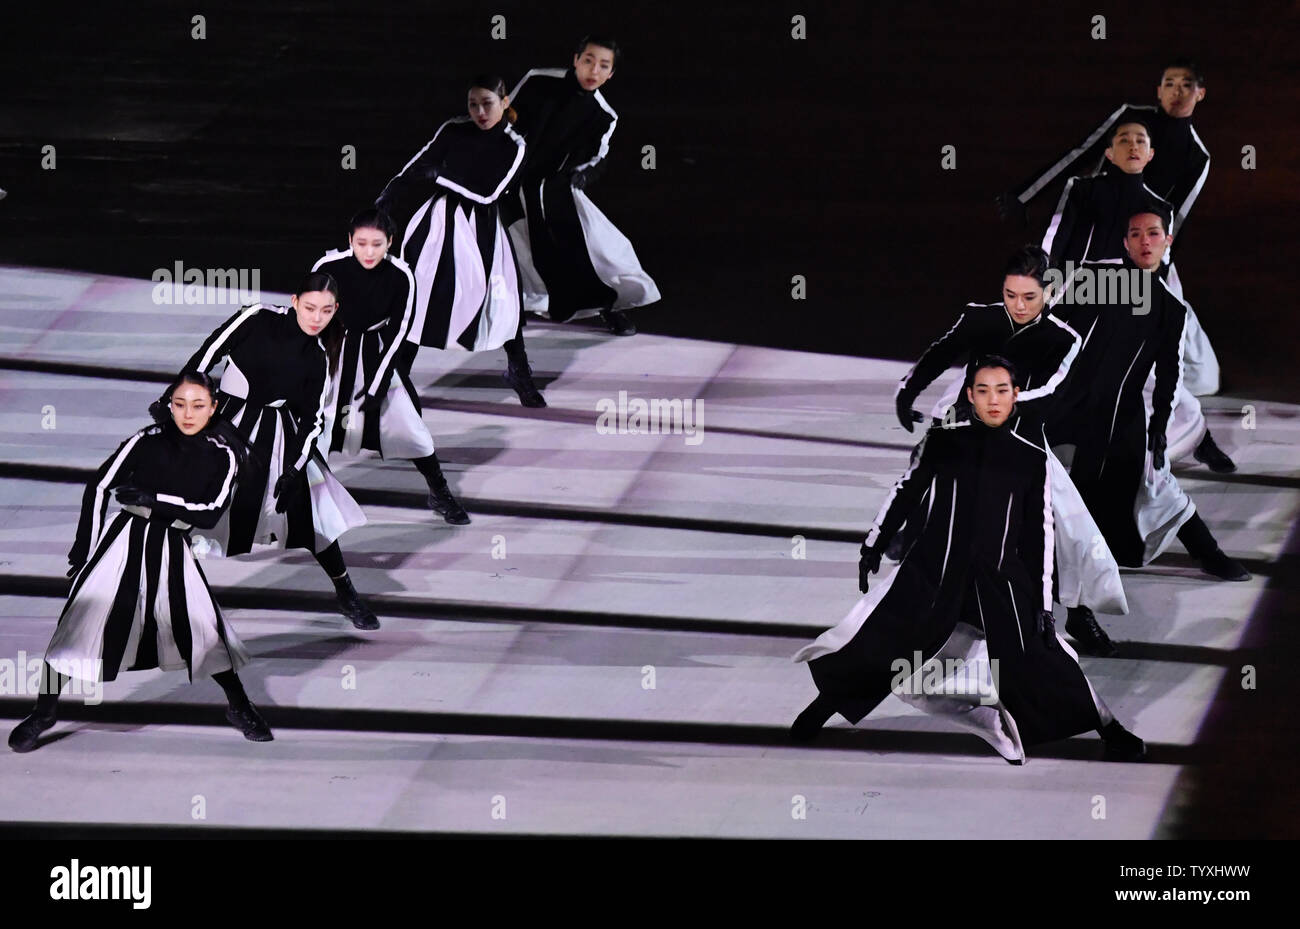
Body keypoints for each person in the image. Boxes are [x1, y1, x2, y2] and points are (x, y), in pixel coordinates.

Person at [793, 358, 1145, 763]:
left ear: (1016, 395)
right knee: (882, 645)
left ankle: (1108, 727)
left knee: (1044, 658)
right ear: (970, 396)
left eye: (1002, 390)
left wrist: (1044, 604)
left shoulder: (1031, 459)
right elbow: (906, 490)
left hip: (1000, 578)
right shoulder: (944, 441)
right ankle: (823, 707)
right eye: (983, 390)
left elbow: (1040, 536)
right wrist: (874, 544)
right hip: (934, 571)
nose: (993, 400)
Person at [8, 372, 272, 752]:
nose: (188, 413)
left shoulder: (223, 455)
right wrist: (84, 549)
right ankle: (43, 712)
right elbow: (100, 486)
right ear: (170, 405)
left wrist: (155, 499)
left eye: (198, 405)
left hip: (172, 547)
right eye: (180, 404)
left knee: (201, 629)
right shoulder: (145, 440)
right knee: (77, 626)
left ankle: (240, 706)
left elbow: (210, 512)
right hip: (121, 542)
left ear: (214, 407)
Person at [892, 246, 1129, 655]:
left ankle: (1076, 613)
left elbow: (1052, 393)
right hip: (968, 437)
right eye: (1010, 295)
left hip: (1023, 443)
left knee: (1065, 531)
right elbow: (941, 352)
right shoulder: (980, 319)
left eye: (1029, 297)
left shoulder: (1063, 339)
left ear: (1049, 292)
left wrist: (996, 408)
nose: (1018, 306)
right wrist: (907, 390)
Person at [1051, 206, 1250, 589]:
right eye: (1136, 234)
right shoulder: (1098, 279)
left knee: (1151, 480)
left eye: (1153, 234)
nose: (1145, 241)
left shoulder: (1171, 308)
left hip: (1124, 415)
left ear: (1167, 241)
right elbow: (1052, 320)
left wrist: (1158, 428)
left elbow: (1170, 374)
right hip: (1070, 404)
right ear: (1125, 243)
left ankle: (1208, 554)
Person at [180, 274, 380, 630]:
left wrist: (294, 470)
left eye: (326, 311)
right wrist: (177, 398)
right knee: (186, 505)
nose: (316, 318)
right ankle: (174, 593)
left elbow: (312, 421)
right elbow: (209, 352)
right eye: (310, 307)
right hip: (223, 424)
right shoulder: (257, 317)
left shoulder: (318, 358)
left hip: (276, 438)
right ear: (294, 301)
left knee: (313, 517)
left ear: (335, 311)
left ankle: (345, 590)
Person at [375, 75, 546, 412]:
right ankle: (395, 376)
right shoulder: (454, 129)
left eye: (487, 103)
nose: (480, 112)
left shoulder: (514, 144)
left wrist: (439, 175)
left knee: (502, 300)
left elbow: (487, 194)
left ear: (504, 102)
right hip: (437, 224)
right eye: (473, 104)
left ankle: (519, 371)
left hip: (483, 229)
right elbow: (420, 162)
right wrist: (390, 193)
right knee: (417, 297)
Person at [312, 208, 472, 525]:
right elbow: (310, 318)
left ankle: (439, 491)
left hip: (377, 356)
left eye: (377, 244)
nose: (369, 252)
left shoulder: (401, 276)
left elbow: (399, 334)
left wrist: (377, 385)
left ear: (390, 242)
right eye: (361, 243)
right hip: (331, 354)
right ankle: (303, 502)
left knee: (410, 429)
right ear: (349, 240)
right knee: (316, 430)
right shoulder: (328, 267)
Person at [501, 35, 660, 336]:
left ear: (611, 73)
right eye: (588, 61)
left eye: (604, 66)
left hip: (553, 187)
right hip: (510, 179)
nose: (594, 71)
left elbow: (596, 159)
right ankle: (509, 309)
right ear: (575, 60)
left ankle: (609, 305)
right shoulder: (538, 80)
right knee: (509, 245)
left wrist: (580, 177)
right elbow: (505, 120)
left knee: (596, 247)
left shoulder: (604, 115)